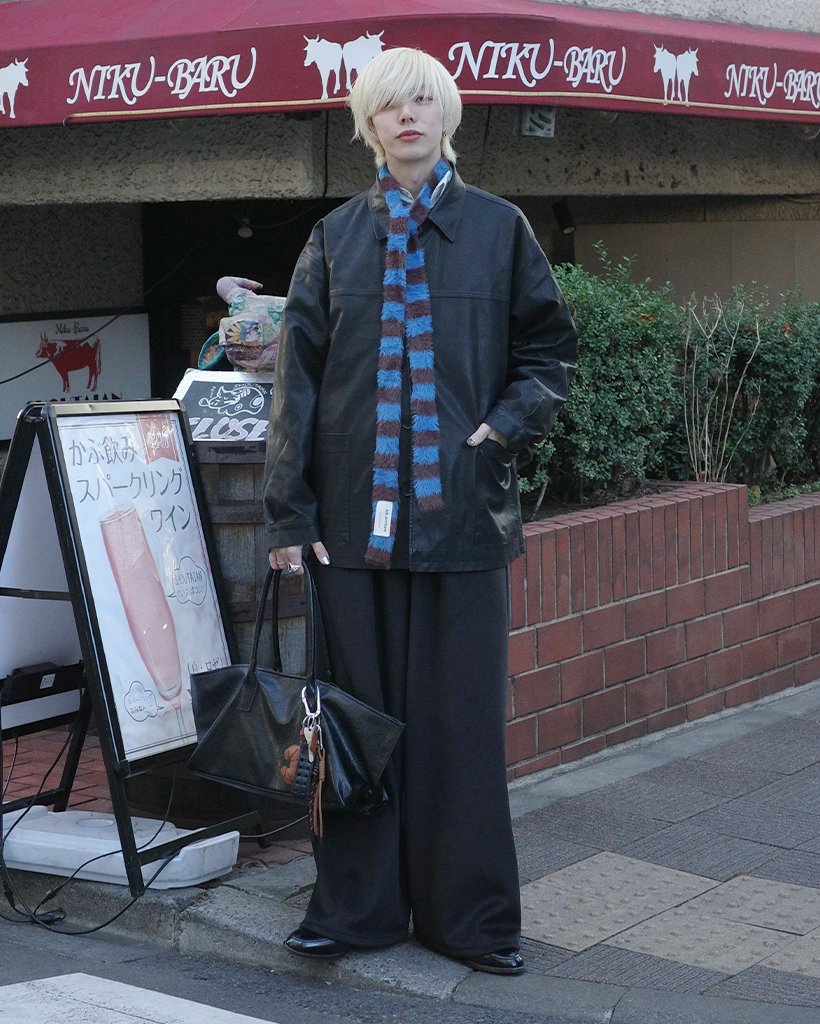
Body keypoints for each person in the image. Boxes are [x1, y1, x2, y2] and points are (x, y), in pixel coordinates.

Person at [263, 47, 577, 976]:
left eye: (422, 103)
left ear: (446, 117)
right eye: (390, 107)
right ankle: (354, 911)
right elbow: (297, 383)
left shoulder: (500, 228)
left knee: (460, 728)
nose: (408, 118)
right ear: (370, 126)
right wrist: (290, 515)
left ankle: (469, 920)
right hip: (349, 528)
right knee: (354, 723)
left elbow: (549, 352)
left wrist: (499, 430)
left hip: (463, 521)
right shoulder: (333, 238)